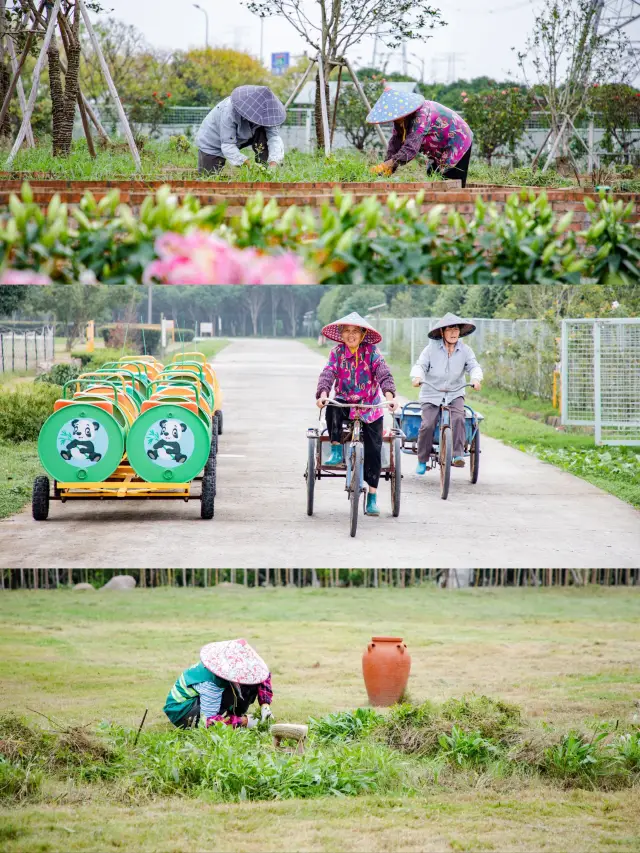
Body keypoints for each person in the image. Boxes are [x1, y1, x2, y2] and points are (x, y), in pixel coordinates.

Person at [316, 311, 399, 517]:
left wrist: (390, 396)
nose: (351, 335)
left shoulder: (372, 353)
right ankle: (336, 449)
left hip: (369, 407)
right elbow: (328, 373)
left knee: (373, 451)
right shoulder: (336, 353)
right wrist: (323, 394)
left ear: (362, 335)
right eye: (347, 331)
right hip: (344, 402)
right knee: (332, 407)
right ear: (341, 334)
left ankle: (372, 496)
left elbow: (383, 373)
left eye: (355, 331)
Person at [410, 312, 484, 473]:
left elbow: (474, 366)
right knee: (428, 424)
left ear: (460, 332)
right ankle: (422, 460)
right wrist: (417, 377)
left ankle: (457, 454)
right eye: (449, 329)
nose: (453, 333)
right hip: (432, 392)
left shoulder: (465, 350)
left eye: (456, 329)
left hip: (454, 392)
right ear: (442, 332)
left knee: (458, 418)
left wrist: (476, 379)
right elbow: (420, 365)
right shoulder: (430, 349)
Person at [366, 87, 473, 188]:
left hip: (459, 140)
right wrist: (388, 166)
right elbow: (396, 141)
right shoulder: (401, 120)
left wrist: (387, 164)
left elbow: (411, 148)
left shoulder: (421, 114)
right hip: (439, 150)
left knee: (451, 182)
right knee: (432, 175)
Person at [163, 639, 273, 729]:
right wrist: (245, 721)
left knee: (250, 684)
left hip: (201, 700)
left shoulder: (225, 666)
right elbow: (209, 723)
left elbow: (263, 676)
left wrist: (265, 705)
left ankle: (234, 715)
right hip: (182, 710)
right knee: (228, 697)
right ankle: (234, 718)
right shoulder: (212, 684)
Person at [195, 85, 286, 175]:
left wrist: (274, 162)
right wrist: (248, 164)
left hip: (246, 134)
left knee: (264, 135)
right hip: (213, 141)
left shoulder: (268, 113)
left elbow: (274, 138)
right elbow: (227, 145)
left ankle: (265, 171)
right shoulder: (229, 112)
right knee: (208, 175)